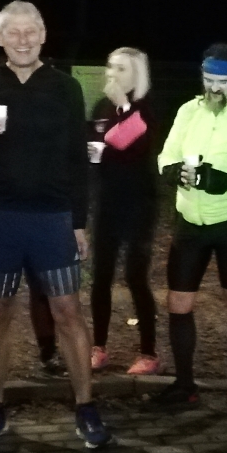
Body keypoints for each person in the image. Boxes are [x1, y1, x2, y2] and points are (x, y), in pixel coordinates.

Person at [0, 1, 111, 450]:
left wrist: (78, 222)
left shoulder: (64, 87)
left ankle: (85, 407)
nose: (22, 40)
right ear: (0, 38)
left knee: (68, 311)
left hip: (52, 218)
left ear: (43, 35)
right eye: (13, 32)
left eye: (30, 31)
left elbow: (77, 160)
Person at [153, 42, 227, 417]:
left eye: (223, 81)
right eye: (208, 79)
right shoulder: (189, 110)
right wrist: (172, 171)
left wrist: (226, 182)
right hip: (189, 221)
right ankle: (185, 386)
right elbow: (167, 153)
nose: (214, 88)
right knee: (178, 304)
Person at [88, 47, 161, 375]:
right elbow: (95, 145)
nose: (112, 74)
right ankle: (98, 347)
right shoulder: (101, 107)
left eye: (121, 68)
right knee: (100, 276)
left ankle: (149, 352)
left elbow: (135, 144)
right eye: (110, 66)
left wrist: (125, 107)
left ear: (137, 74)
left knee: (135, 276)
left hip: (139, 204)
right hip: (107, 202)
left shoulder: (147, 107)